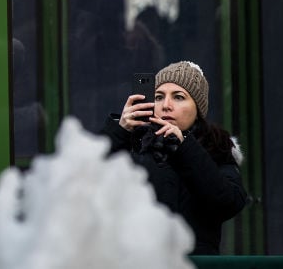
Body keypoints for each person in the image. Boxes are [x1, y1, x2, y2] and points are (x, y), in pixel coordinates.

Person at [102, 61, 247, 255]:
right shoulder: (133, 144)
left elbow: (229, 203)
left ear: (198, 109)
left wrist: (184, 147)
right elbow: (83, 186)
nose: (166, 106)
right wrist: (119, 131)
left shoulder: (215, 148)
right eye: (159, 97)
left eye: (179, 97)